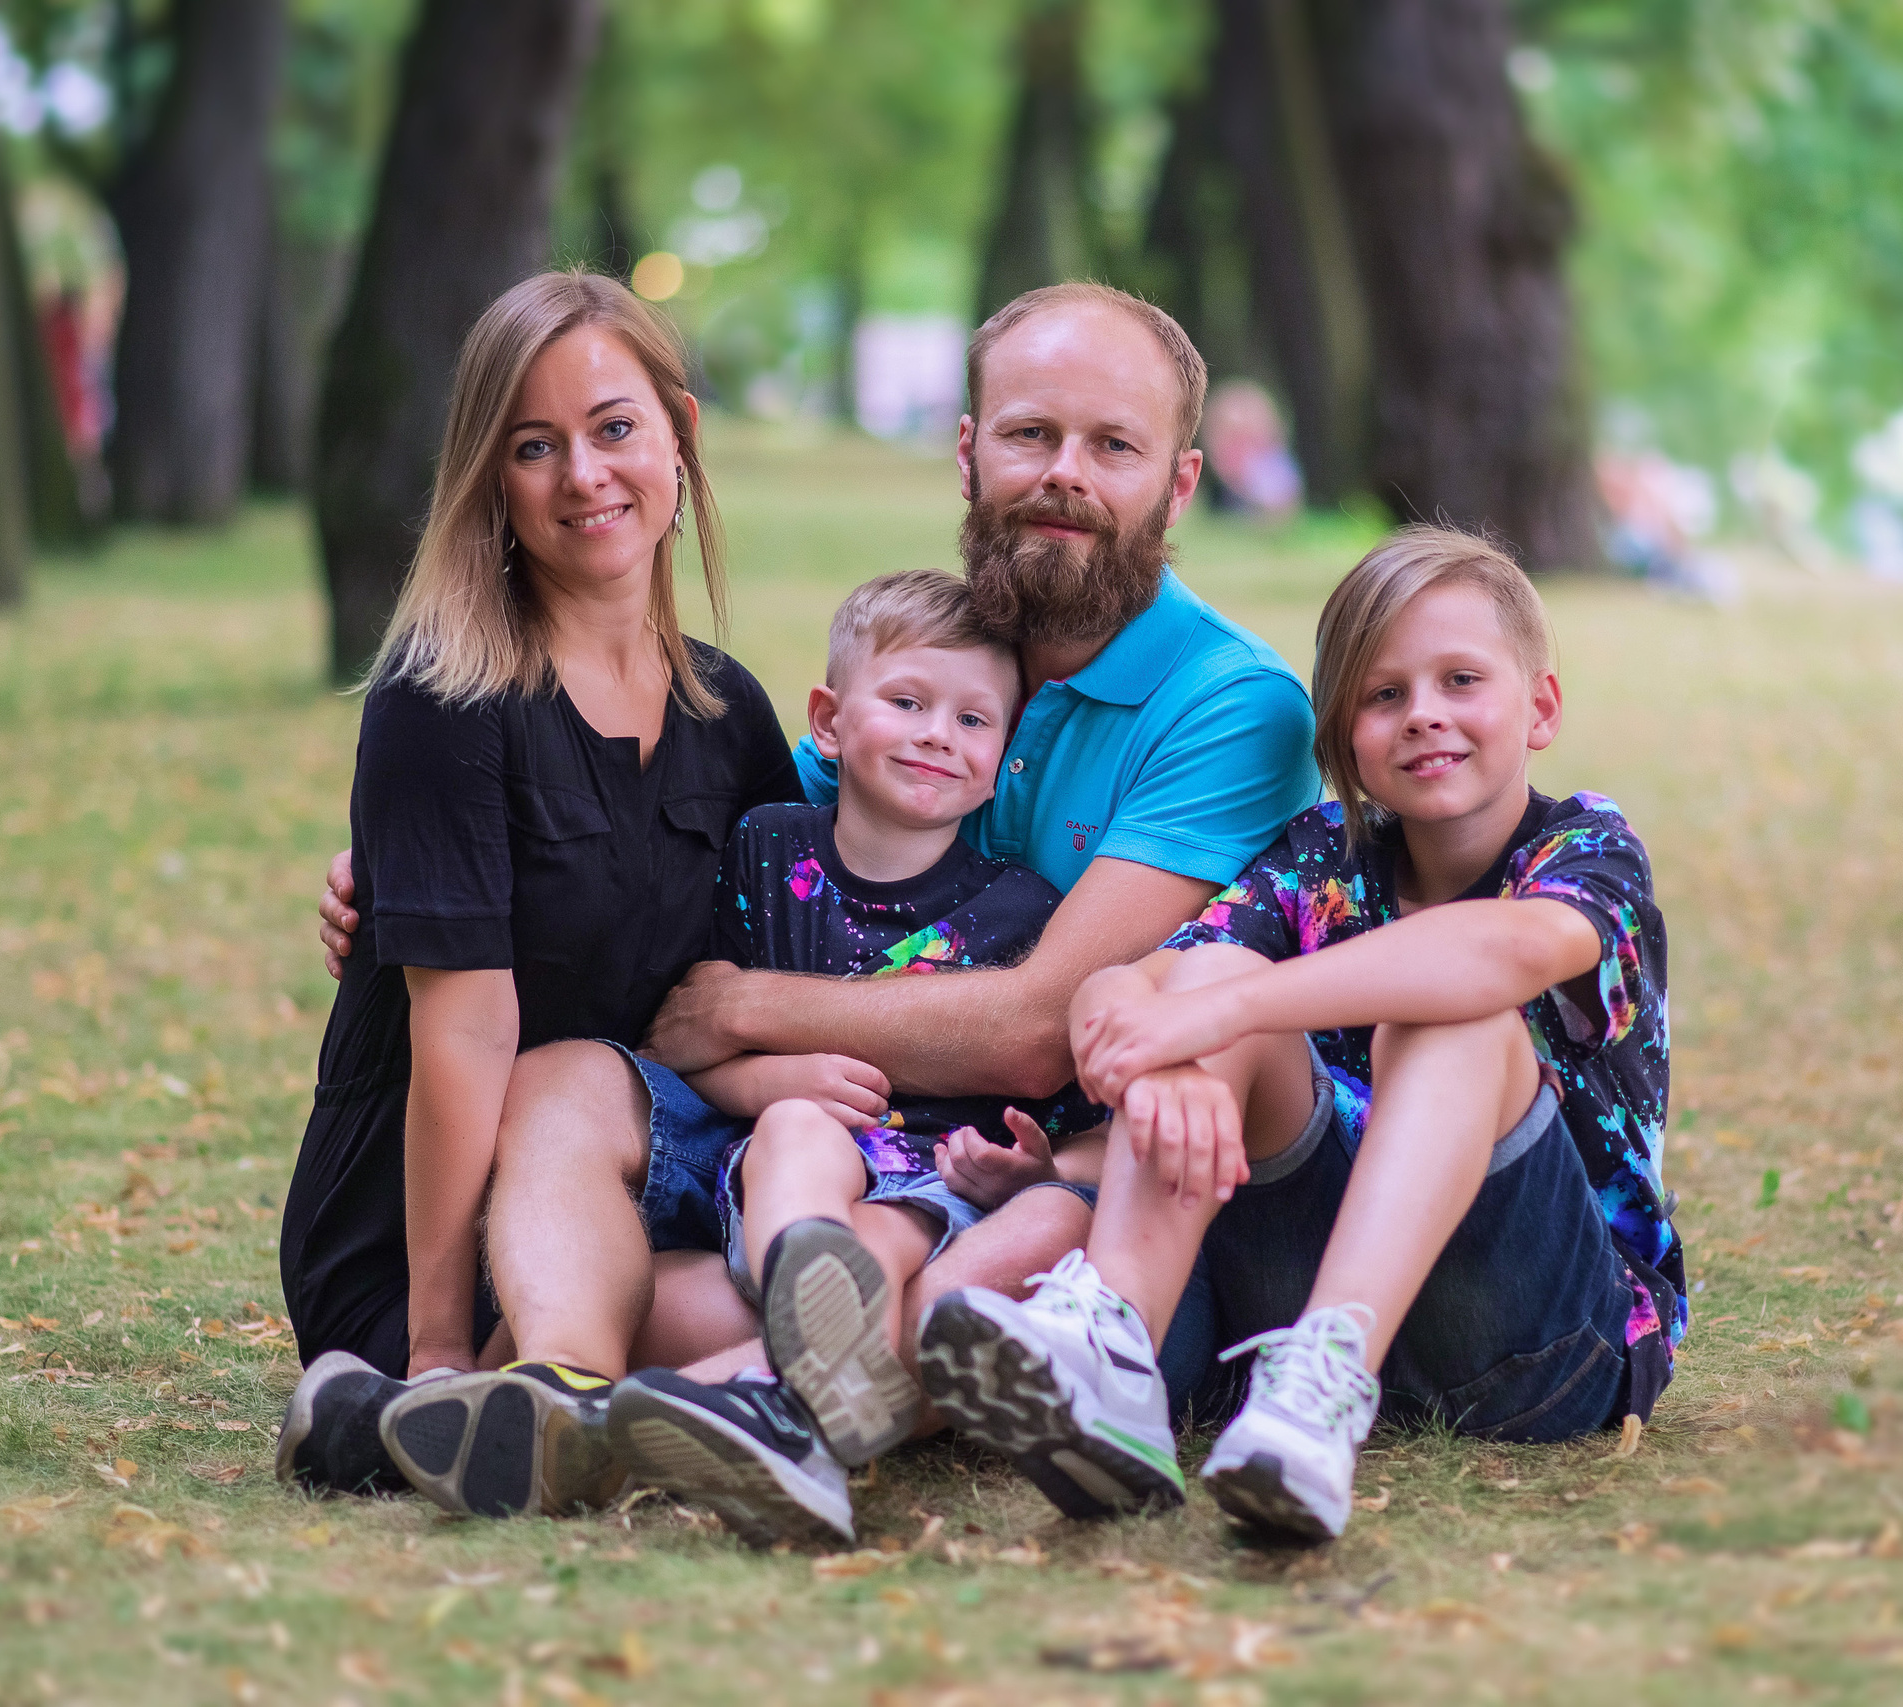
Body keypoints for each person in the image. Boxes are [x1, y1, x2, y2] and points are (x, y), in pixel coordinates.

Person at [313, 282, 1319, 1507]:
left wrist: (747, 1017)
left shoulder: (1231, 706)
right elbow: (699, 858)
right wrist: (423, 879)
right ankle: (566, 1391)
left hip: (1026, 1179)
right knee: (590, 1101)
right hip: (797, 1164)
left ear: (1180, 481)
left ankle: (751, 1400)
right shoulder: (918, 679)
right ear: (967, 454)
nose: (1065, 474)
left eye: (1112, 445)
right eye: (1028, 434)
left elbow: (1037, 1028)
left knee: (991, 1220)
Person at [917, 526, 1684, 1543]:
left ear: (1539, 707)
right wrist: (1154, 1037)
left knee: (1438, 1007)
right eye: (1382, 695)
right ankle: (1113, 1354)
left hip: (1541, 1337)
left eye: (1460, 680)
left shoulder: (1586, 847)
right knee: (1215, 965)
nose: (1424, 717)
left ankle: (1325, 1384)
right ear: (1342, 734)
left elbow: (1494, 953)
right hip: (1283, 1312)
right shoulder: (1322, 855)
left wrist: (1221, 1009)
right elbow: (1130, 982)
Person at [272, 271, 802, 1514]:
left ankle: (424, 1428)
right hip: (422, 1230)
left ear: (679, 432)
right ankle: (429, 1399)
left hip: (633, 1188)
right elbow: (465, 1033)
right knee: (693, 1307)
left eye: (615, 427)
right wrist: (439, 1337)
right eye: (533, 446)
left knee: (813, 1294)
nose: (584, 477)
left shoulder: (729, 716)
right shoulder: (445, 698)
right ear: (489, 483)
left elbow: (800, 937)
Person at [594, 569, 1108, 1547]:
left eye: (970, 720)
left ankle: (730, 1404)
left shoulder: (1020, 910)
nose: (934, 735)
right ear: (828, 721)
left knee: (879, 1236)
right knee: (793, 1128)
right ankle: (801, 1287)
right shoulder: (762, 852)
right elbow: (685, 1036)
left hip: (932, 1191)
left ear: (1003, 758)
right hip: (787, 1184)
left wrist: (1022, 1170)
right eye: (907, 702)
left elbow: (1067, 1121)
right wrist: (764, 1080)